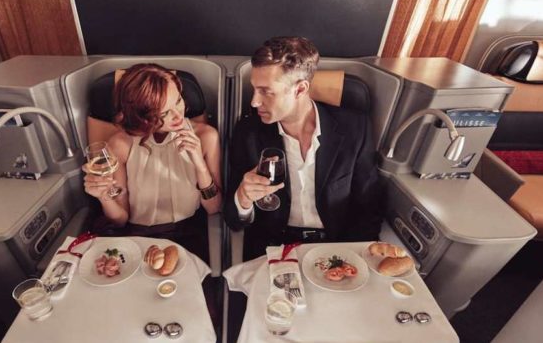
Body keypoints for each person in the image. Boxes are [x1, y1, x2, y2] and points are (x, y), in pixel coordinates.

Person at [224, 36, 383, 261]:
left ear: (300, 89)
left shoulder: (354, 129)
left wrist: (353, 257)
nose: (254, 102)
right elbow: (232, 220)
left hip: (336, 247)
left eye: (266, 91)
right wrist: (243, 198)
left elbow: (368, 207)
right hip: (273, 249)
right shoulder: (248, 133)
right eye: (254, 90)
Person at [83, 63, 222, 262]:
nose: (178, 115)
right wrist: (104, 197)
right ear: (142, 115)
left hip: (189, 237)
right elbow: (121, 219)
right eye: (164, 113)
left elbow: (214, 207)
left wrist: (199, 163)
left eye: (178, 101)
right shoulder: (120, 144)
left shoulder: (207, 136)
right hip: (136, 239)